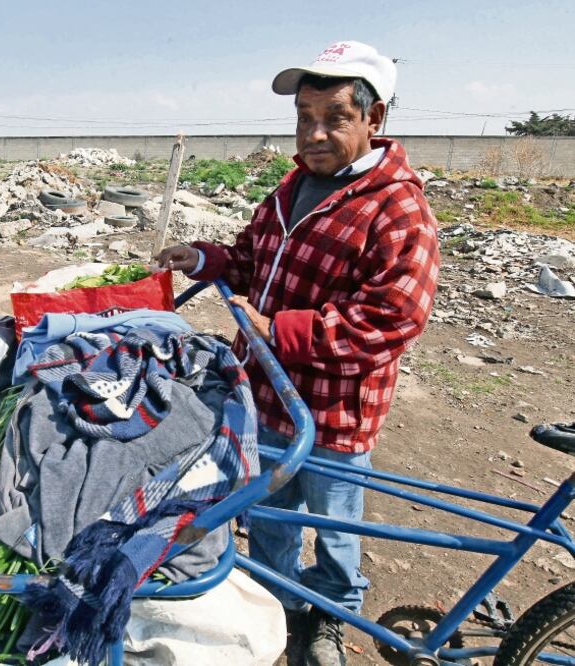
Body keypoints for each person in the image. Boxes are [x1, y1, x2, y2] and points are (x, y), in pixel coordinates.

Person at [158, 41, 440, 665]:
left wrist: (278, 331)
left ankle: (333, 612)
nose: (314, 134)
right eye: (304, 116)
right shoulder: (291, 189)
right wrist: (204, 258)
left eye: (335, 118)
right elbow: (252, 257)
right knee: (269, 515)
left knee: (337, 524)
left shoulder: (398, 208)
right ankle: (278, 607)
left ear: (374, 118)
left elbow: (392, 318)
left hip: (335, 412)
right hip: (265, 396)